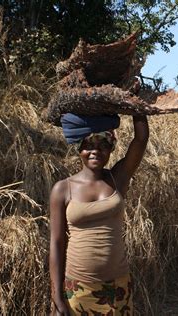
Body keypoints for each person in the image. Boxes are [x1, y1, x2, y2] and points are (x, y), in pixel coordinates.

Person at [49, 114, 149, 315]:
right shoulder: (62, 189)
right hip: (78, 288)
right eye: (89, 145)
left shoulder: (117, 178)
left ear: (111, 149)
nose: (96, 151)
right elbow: (57, 243)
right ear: (80, 149)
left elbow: (141, 139)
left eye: (103, 144)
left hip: (118, 285)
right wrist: (57, 295)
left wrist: (138, 107)